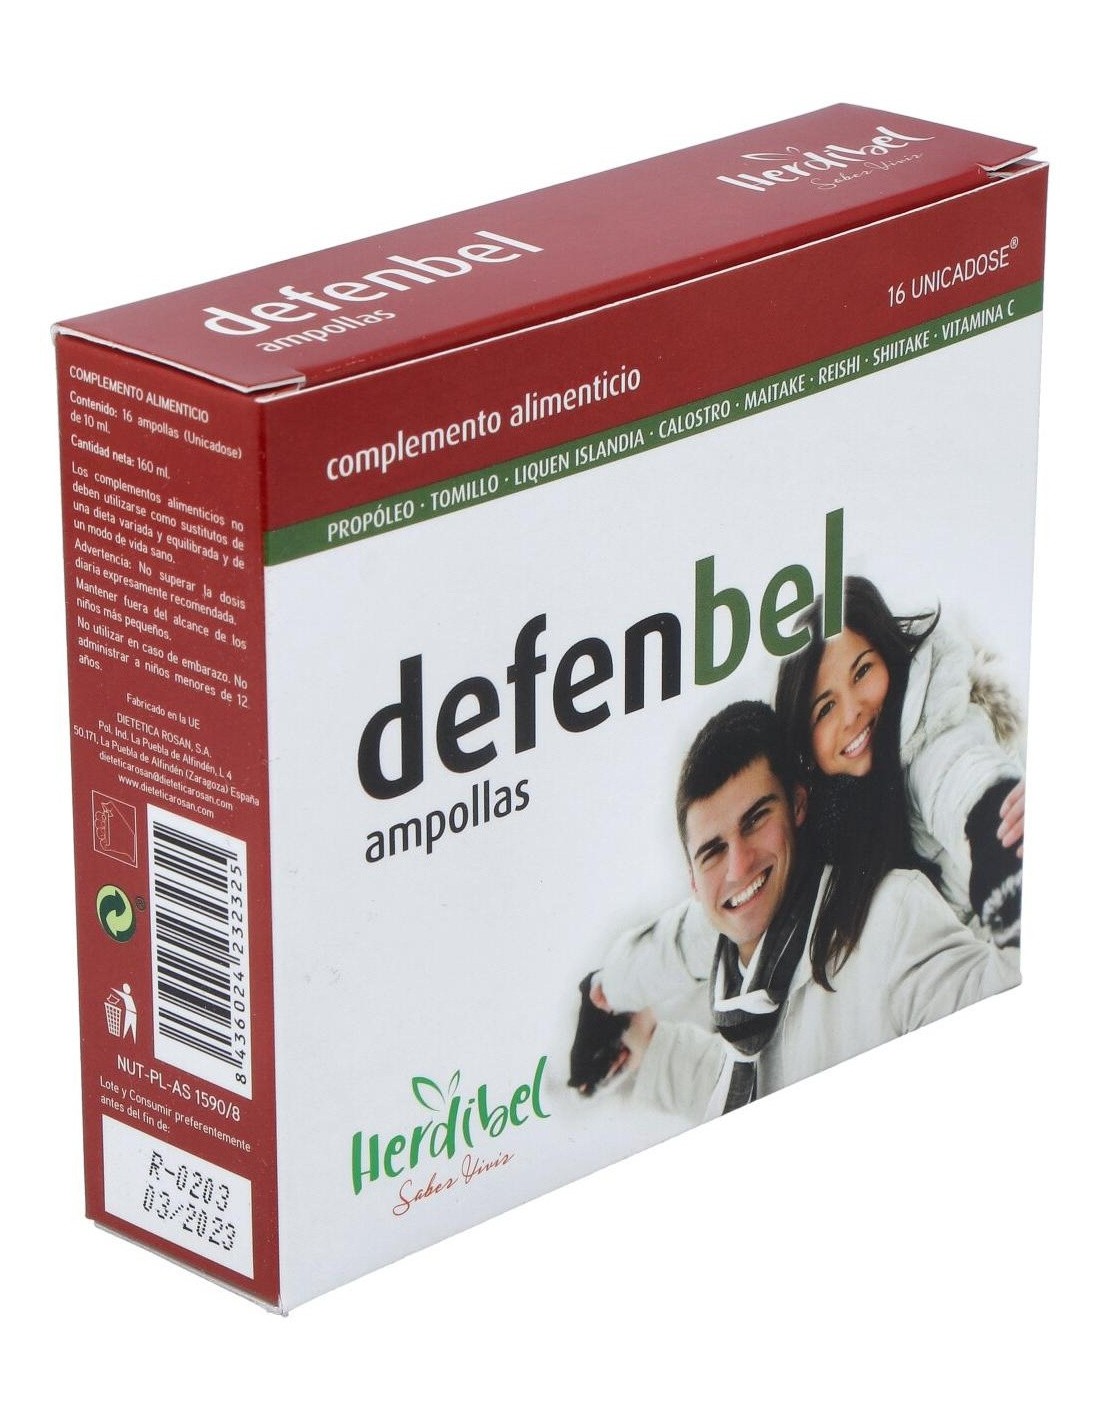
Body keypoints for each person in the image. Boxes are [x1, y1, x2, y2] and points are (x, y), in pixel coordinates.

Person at [586, 701, 1019, 1121]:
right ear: (694, 882)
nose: (738, 867)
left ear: (797, 805)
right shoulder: (737, 986)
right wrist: (653, 1049)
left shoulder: (888, 918)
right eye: (713, 851)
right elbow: (753, 1085)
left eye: (755, 820)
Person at [774, 576, 1024, 954]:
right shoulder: (821, 817)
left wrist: (1000, 833)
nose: (852, 713)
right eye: (825, 708)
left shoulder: (929, 729)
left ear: (889, 657)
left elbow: (960, 778)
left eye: (862, 672)